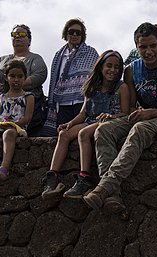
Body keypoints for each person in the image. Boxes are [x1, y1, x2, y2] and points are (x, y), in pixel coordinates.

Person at [83, 23, 157, 215]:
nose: (148, 51)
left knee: (140, 129)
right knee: (104, 129)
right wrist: (114, 117)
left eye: (153, 46)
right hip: (142, 118)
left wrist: (151, 112)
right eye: (143, 47)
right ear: (136, 46)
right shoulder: (131, 70)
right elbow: (129, 108)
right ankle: (113, 196)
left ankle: (104, 187)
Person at [41, 50, 130, 200]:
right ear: (101, 66)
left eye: (116, 67)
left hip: (107, 121)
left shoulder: (121, 87)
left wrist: (111, 116)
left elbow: (125, 113)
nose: (112, 70)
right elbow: (83, 114)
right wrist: (70, 123)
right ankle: (53, 177)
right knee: (64, 134)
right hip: (90, 120)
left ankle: (84, 178)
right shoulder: (92, 86)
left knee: (83, 134)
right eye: (109, 66)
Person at [42, 19, 99, 136]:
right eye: (71, 31)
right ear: (65, 33)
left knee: (79, 135)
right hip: (63, 103)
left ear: (82, 35)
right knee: (62, 133)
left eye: (78, 33)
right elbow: (54, 79)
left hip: (82, 101)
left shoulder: (91, 52)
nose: (74, 35)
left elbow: (96, 77)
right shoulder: (59, 55)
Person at [0, 24, 48, 135]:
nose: (17, 37)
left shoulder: (35, 58)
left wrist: (13, 85)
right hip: (1, 106)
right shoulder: (2, 59)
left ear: (29, 40)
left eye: (21, 34)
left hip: (26, 108)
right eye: (14, 34)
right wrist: (3, 87)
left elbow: (39, 76)